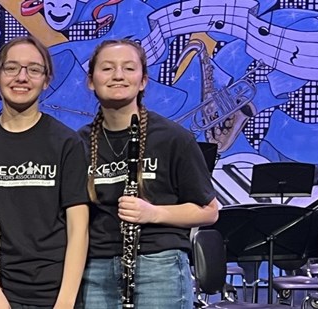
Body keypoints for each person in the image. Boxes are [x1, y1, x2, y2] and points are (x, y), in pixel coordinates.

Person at [0, 36, 90, 309]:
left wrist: (66, 300)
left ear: (46, 80)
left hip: (55, 290)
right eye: (11, 68)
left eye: (33, 69)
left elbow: (78, 227)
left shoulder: (67, 142)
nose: (21, 77)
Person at [77, 39, 219, 308]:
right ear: (91, 81)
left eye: (129, 68)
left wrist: (154, 213)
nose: (118, 75)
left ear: (142, 81)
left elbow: (209, 211)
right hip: (95, 267)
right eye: (107, 68)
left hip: (159, 264)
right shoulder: (77, 143)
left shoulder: (173, 138)